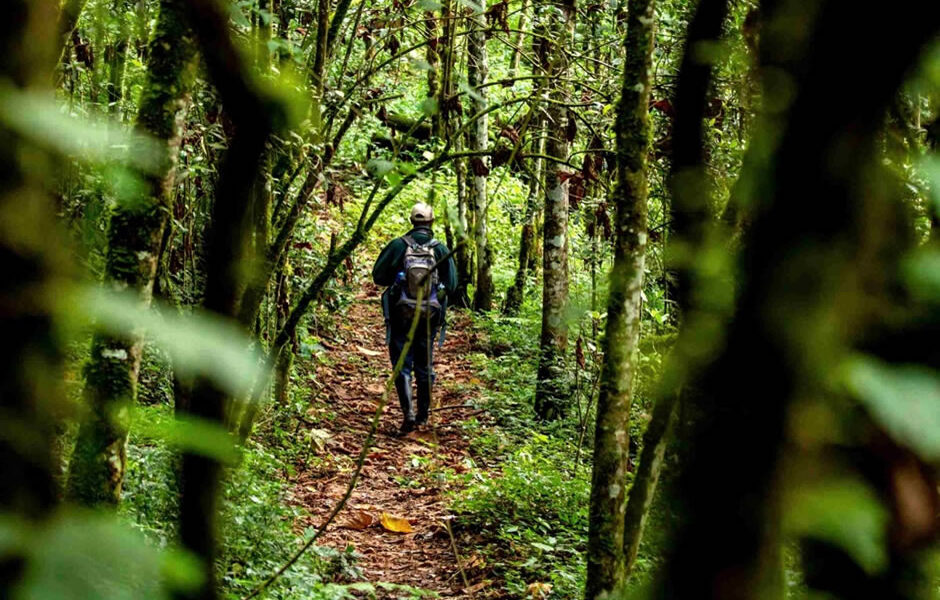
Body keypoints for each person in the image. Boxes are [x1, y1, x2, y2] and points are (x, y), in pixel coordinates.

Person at [372, 202, 457, 434]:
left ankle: (408, 413)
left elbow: (378, 276)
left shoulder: (398, 245)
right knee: (425, 365)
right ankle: (422, 417)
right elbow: (452, 285)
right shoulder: (440, 249)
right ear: (431, 223)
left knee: (402, 365)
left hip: (401, 315)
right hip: (429, 316)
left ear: (412, 222)